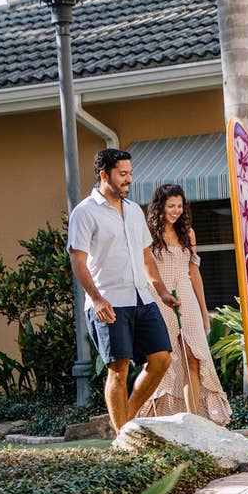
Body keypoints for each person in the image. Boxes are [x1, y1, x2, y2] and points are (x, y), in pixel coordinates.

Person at [67, 148, 180, 432]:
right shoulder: (84, 213)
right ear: (105, 175)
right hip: (109, 301)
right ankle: (123, 439)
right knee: (118, 371)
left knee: (161, 359)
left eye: (130, 173)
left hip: (142, 298)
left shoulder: (133, 210)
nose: (128, 179)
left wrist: (162, 292)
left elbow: (145, 257)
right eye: (122, 174)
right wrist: (96, 298)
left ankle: (126, 420)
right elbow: (77, 260)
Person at [136, 184, 232, 425]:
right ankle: (156, 417)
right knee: (164, 359)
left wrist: (203, 310)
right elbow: (146, 269)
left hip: (186, 294)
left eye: (179, 206)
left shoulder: (188, 233)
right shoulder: (147, 234)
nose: (176, 211)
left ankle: (194, 419)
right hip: (159, 296)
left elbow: (194, 272)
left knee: (195, 355)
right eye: (171, 206)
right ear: (160, 206)